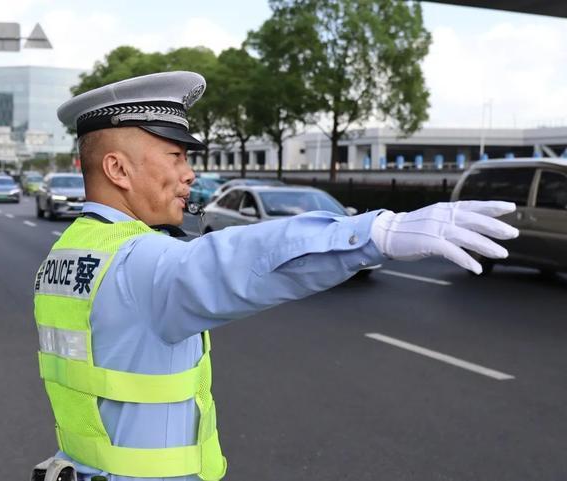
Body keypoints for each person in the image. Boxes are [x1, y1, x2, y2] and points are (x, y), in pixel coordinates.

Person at [32, 71, 518, 481]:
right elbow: (235, 259)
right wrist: (374, 233)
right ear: (117, 168)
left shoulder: (68, 252)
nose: (189, 176)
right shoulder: (139, 262)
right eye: (176, 156)